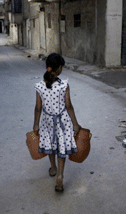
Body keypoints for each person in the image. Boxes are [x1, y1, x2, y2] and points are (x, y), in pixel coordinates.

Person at [33, 53, 80, 192]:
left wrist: (36, 124)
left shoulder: (40, 86)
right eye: (62, 67)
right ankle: (60, 176)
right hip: (62, 121)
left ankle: (53, 168)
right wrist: (75, 124)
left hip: (47, 121)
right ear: (58, 68)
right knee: (61, 147)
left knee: (50, 143)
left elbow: (38, 107)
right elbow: (69, 105)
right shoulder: (64, 85)